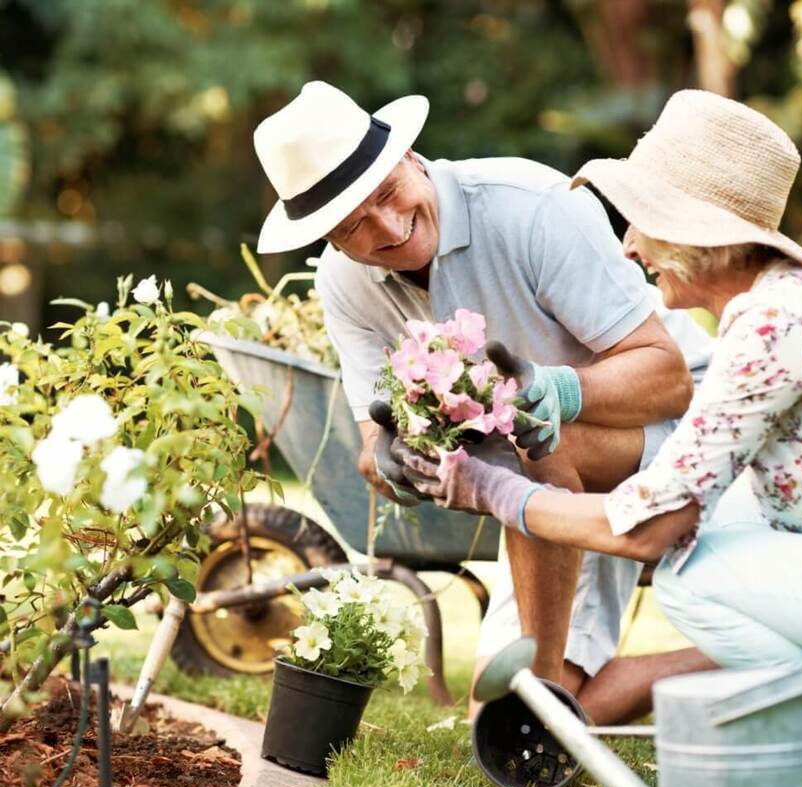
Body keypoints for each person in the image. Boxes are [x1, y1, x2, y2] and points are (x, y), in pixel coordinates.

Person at [252, 81, 714, 723]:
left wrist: (556, 389)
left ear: (410, 157)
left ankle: (542, 696)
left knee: (532, 436)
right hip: (547, 490)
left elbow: (670, 379)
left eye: (387, 194)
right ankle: (754, 666)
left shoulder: (532, 208)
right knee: (489, 718)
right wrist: (392, 459)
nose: (387, 228)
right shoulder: (345, 285)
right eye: (354, 226)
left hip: (683, 436)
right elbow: (371, 443)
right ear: (329, 240)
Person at [397, 89, 802, 674]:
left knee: (685, 571)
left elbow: (651, 527)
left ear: (697, 232)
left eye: (642, 221)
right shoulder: (793, 303)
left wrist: (491, 490)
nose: (628, 246)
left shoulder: (771, 325)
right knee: (724, 521)